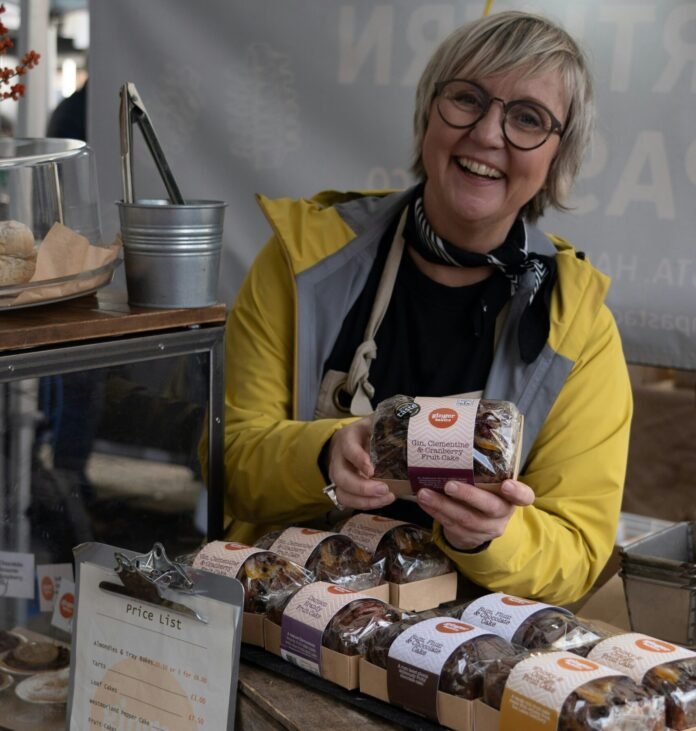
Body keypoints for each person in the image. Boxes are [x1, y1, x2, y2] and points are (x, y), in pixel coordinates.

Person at [204, 11, 632, 605]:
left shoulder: (578, 328)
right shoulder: (302, 265)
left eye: (528, 118)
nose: (487, 134)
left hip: (462, 648)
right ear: (429, 111)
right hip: (290, 611)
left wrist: (497, 535)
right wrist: (323, 455)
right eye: (467, 99)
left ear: (558, 158)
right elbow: (223, 458)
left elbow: (578, 550)